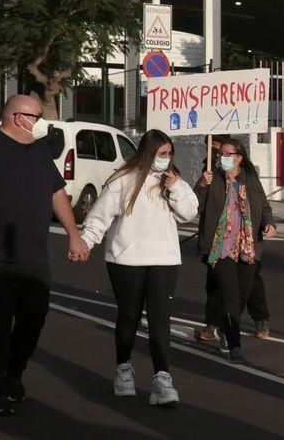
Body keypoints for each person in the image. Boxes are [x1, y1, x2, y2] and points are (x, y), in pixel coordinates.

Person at [0, 95, 89, 416]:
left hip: (33, 256)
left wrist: (74, 234)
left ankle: (13, 373)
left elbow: (57, 193)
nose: (43, 123)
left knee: (33, 319)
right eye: (37, 116)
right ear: (17, 118)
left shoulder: (38, 150)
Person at [80, 129, 198, 407]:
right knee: (129, 316)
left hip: (164, 261)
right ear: (148, 153)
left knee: (160, 321)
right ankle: (123, 370)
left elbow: (189, 213)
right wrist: (85, 242)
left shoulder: (173, 182)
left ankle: (162, 379)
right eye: (161, 154)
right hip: (126, 261)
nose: (166, 160)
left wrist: (176, 187)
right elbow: (99, 217)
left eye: (169, 154)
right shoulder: (123, 180)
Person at [195, 138, 276, 362]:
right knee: (230, 294)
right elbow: (195, 207)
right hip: (220, 247)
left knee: (242, 294)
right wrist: (202, 184)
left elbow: (264, 205)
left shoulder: (249, 178)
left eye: (229, 154)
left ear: (240, 157)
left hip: (247, 247)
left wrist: (269, 224)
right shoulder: (212, 177)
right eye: (222, 153)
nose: (224, 157)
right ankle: (234, 345)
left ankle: (224, 327)